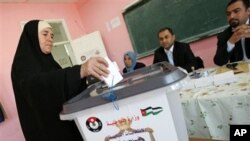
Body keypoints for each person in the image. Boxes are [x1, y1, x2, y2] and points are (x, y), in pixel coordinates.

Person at [11, 20, 109, 141]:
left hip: (65, 123)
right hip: (45, 129)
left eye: (52, 35)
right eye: (45, 34)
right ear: (32, 36)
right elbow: (38, 86)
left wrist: (85, 77)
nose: (50, 38)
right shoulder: (22, 64)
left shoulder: (49, 62)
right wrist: (80, 70)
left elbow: (63, 87)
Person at [214, 0, 250, 66]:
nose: (231, 16)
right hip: (239, 73)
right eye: (228, 14)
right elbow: (219, 62)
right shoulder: (224, 35)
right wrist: (231, 41)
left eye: (236, 11)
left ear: (248, 11)